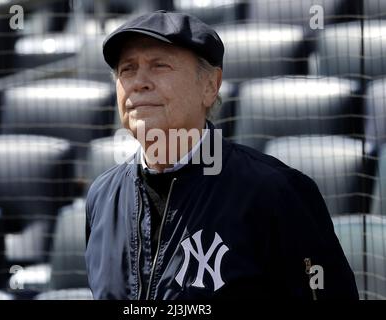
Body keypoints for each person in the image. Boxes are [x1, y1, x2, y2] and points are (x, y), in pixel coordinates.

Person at [85, 10, 359, 300]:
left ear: (210, 86)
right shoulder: (102, 197)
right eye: (127, 69)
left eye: (159, 65)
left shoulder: (275, 192)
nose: (139, 82)